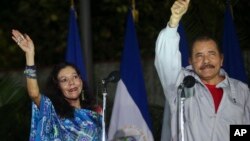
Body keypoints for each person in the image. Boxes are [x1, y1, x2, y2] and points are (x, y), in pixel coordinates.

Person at [154, 0, 250, 141]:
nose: (206, 61)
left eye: (211, 54)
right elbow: (165, 59)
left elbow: (244, 130)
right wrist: (173, 23)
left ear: (221, 59)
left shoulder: (241, 90)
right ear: (190, 62)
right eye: (199, 56)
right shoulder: (181, 84)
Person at [11, 29, 102, 141]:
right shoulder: (52, 110)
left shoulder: (95, 112)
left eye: (75, 77)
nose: (71, 83)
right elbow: (34, 94)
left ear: (81, 80)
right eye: (64, 80)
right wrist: (30, 55)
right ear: (58, 86)